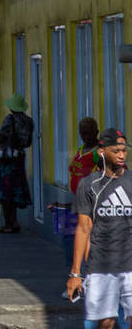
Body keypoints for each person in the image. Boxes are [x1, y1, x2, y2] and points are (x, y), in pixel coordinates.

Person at [68, 128, 132, 328]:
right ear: (102, 152)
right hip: (101, 267)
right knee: (106, 322)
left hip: (130, 264)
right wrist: (76, 274)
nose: (122, 155)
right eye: (116, 150)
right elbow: (83, 229)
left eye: (124, 150)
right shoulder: (89, 185)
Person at [0, 93, 34, 233]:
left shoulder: (10, 119)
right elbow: (28, 142)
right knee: (15, 190)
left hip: (6, 160)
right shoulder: (29, 121)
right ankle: (14, 221)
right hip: (19, 157)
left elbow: (1, 137)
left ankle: (9, 223)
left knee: (5, 191)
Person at [67, 118, 103, 264]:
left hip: (92, 200)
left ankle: (91, 272)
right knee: (83, 237)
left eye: (88, 133)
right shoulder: (82, 149)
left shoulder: (98, 152)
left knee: (88, 237)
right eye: (82, 134)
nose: (85, 137)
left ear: (96, 132)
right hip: (80, 199)